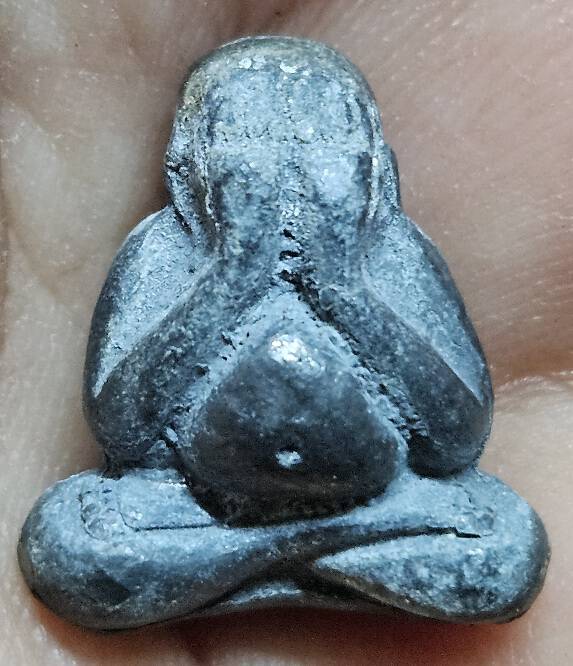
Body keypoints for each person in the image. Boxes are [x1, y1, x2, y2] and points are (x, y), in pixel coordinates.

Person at [1, 1, 570, 663]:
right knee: (67, 546)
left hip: (379, 502)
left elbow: (453, 440)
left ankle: (256, 559)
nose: (285, 170)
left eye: (324, 140)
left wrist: (344, 285)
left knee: (507, 549)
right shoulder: (163, 252)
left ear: (376, 167)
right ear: (187, 167)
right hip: (190, 505)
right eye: (243, 139)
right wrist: (231, 274)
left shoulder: (392, 252)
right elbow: (125, 432)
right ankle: (320, 558)